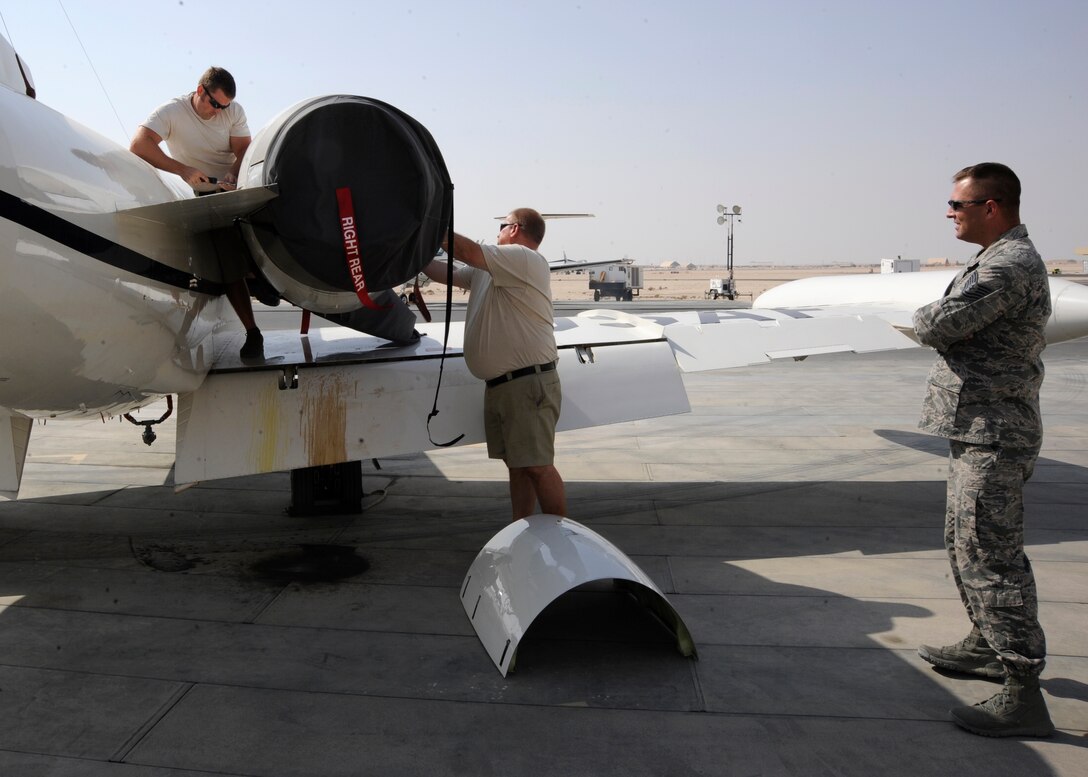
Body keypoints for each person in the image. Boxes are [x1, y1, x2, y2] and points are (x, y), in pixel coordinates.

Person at [913, 163, 1053, 737]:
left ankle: (1023, 691)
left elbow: (936, 323)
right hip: (979, 428)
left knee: (992, 560)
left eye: (958, 205)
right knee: (963, 544)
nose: (950, 213)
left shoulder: (1008, 266)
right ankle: (985, 645)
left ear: (991, 207)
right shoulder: (992, 260)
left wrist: (927, 317)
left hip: (995, 433)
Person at [422, 208, 567, 520]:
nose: (498, 231)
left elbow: (467, 250)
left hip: (526, 384)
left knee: (537, 466)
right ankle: (523, 527)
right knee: (519, 465)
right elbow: (444, 273)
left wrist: (427, 227)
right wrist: (414, 255)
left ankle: (561, 535)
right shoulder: (493, 268)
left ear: (514, 229)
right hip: (506, 385)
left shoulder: (521, 257)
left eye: (502, 226)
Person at [130, 66, 265, 358]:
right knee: (226, 257)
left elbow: (244, 151)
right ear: (200, 91)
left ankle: (262, 277)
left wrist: (231, 175)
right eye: (214, 104)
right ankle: (253, 331)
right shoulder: (171, 111)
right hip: (205, 199)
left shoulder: (233, 111)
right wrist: (183, 170)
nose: (218, 112)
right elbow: (139, 145)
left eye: (224, 107)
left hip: (236, 188)